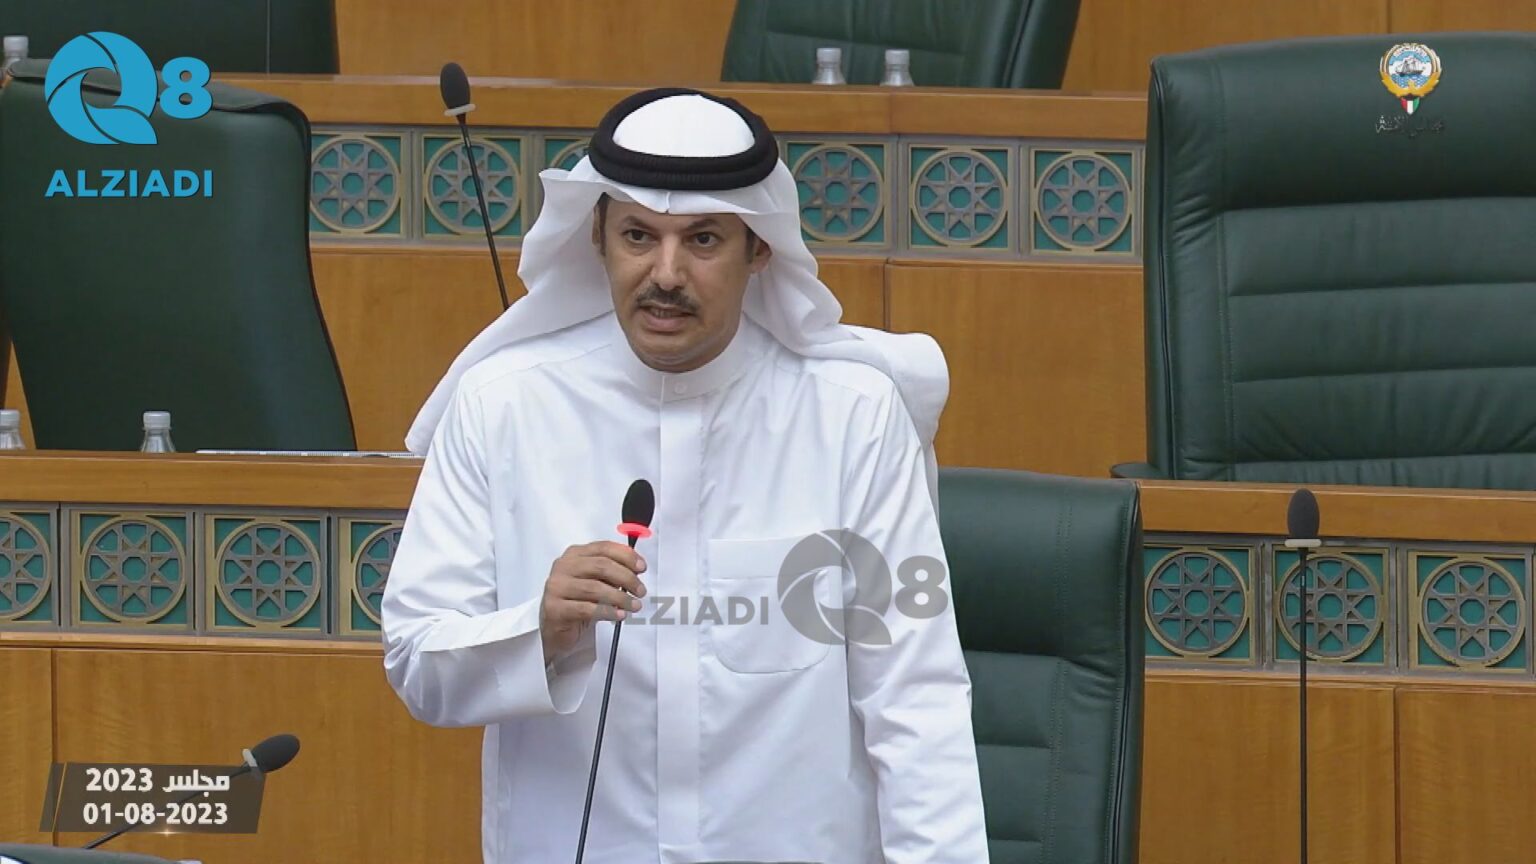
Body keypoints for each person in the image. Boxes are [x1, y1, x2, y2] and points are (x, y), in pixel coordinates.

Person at [381, 87, 988, 864]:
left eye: (702, 240)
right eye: (638, 235)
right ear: (598, 236)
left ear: (758, 249)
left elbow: (915, 696)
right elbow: (418, 663)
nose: (665, 274)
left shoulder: (854, 417)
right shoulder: (503, 406)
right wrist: (539, 628)